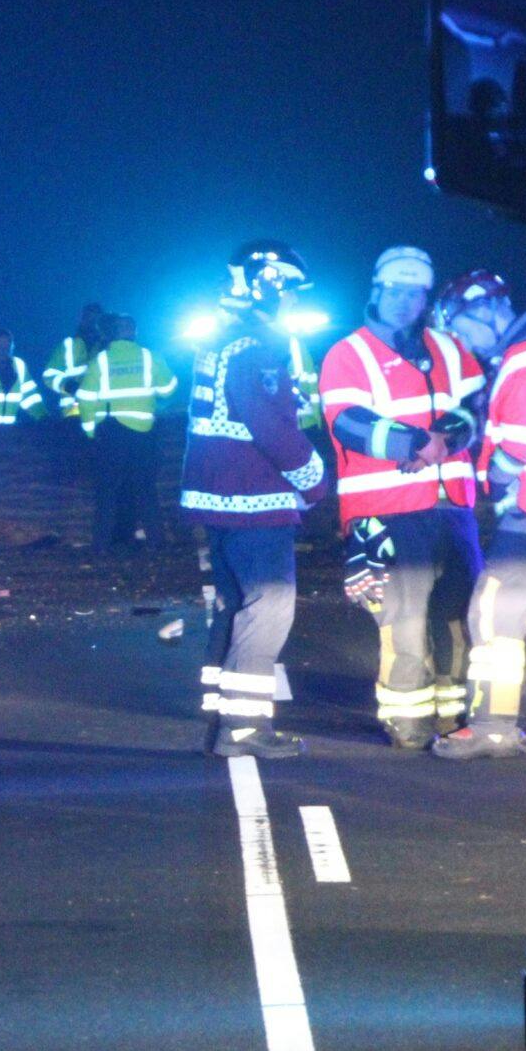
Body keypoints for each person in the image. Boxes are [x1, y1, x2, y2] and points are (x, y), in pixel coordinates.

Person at [318, 246, 488, 749]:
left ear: (425, 298)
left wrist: (447, 439)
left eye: (414, 292)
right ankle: (406, 722)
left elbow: (475, 405)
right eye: (394, 290)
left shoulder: (449, 347)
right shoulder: (347, 353)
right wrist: (416, 443)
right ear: (376, 290)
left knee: (458, 617)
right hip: (378, 514)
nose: (403, 301)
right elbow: (347, 422)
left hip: (450, 508)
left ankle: (453, 718)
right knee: (399, 620)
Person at [180, 240, 331, 757]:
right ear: (271, 286)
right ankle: (243, 729)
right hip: (255, 500)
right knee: (270, 608)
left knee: (233, 605)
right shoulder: (257, 347)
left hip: (220, 502)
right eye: (291, 292)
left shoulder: (223, 339)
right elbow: (271, 425)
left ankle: (220, 713)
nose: (294, 303)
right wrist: (314, 478)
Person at [430, 269, 526, 759]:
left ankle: (491, 727)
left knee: (491, 615)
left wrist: (502, 475)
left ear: (485, 308)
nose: (462, 342)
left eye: (462, 329)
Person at [73, 313, 177, 551]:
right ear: (134, 332)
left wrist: (90, 430)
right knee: (146, 491)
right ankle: (157, 543)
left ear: (112, 333)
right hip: (144, 433)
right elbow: (169, 389)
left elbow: (86, 397)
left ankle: (101, 545)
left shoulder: (102, 360)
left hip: (112, 431)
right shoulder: (150, 357)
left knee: (108, 492)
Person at [44, 303, 108, 420]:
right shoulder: (68, 345)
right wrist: (67, 385)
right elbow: (49, 375)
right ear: (82, 319)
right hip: (73, 414)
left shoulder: (106, 348)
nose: (91, 322)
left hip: (101, 414)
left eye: (95, 319)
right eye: (88, 317)